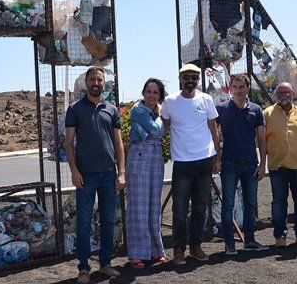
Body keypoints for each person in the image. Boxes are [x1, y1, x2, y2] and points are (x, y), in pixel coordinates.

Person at [64, 67, 125, 284]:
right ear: (86, 83)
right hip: (85, 177)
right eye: (92, 79)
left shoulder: (112, 110)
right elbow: (68, 143)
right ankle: (83, 268)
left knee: (108, 221)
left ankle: (106, 263)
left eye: (99, 79)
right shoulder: (75, 109)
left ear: (104, 82)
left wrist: (121, 172)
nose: (96, 83)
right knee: (84, 223)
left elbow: (118, 143)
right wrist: (74, 171)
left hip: (109, 176)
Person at [161, 63, 219, 265]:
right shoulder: (170, 101)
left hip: (204, 160)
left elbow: (213, 128)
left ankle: (195, 246)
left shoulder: (206, 99)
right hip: (182, 163)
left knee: (201, 207)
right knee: (179, 208)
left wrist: (217, 157)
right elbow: (164, 127)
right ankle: (178, 249)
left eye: (194, 77)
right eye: (187, 77)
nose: (190, 81)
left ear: (198, 80)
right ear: (180, 80)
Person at [215, 73, 267, 255]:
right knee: (228, 204)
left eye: (241, 87)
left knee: (251, 204)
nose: (237, 90)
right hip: (229, 163)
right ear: (230, 88)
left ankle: (250, 240)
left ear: (248, 89)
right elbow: (212, 134)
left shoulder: (256, 110)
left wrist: (262, 165)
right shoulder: (221, 109)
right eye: (235, 87)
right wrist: (216, 158)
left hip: (251, 163)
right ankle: (230, 243)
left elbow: (261, 139)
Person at [263, 82, 297, 247]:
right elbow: (262, 140)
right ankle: (280, 237)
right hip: (277, 166)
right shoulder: (267, 114)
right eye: (280, 93)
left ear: (293, 94)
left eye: (287, 92)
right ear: (276, 95)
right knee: (279, 202)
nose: (284, 95)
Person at [125, 78, 169, 269]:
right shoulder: (139, 110)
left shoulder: (153, 110)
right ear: (143, 93)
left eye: (156, 92)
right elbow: (157, 130)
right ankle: (137, 253)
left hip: (155, 156)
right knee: (139, 206)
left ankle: (155, 250)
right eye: (149, 91)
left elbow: (158, 132)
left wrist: (160, 120)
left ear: (160, 95)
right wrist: (161, 118)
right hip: (140, 155)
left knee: (153, 204)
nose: (152, 95)